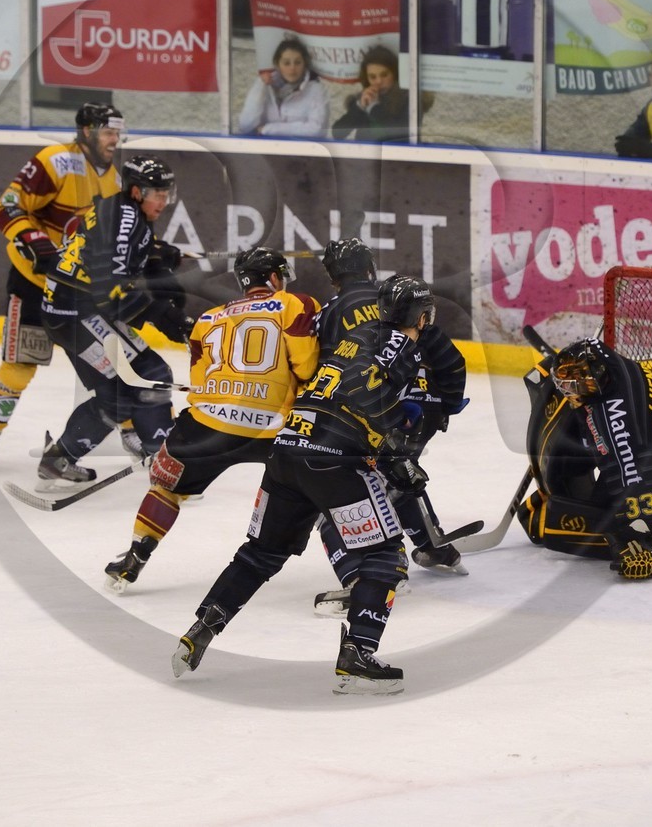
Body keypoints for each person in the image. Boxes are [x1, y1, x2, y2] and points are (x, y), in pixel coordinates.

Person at [171, 276, 439, 695]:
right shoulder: (403, 348)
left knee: (260, 553)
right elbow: (365, 401)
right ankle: (359, 652)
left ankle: (201, 627)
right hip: (330, 461)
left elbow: (342, 390)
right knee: (386, 557)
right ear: (422, 315)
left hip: (285, 452)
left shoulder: (356, 336)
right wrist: (393, 457)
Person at [101, 246, 321, 593]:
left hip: (209, 425)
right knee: (330, 485)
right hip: (273, 428)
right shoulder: (296, 304)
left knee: (166, 487)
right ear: (275, 278)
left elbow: (201, 385)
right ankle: (362, 567)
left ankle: (135, 556)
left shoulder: (208, 318)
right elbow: (307, 367)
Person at [309, 241, 470, 616]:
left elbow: (326, 371)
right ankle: (432, 546)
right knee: (401, 475)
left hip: (371, 412)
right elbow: (452, 362)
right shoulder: (406, 303)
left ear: (333, 277)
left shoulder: (333, 312)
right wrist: (444, 406)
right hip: (418, 410)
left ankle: (374, 570)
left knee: (342, 494)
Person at [0, 102, 123, 468]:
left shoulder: (114, 179)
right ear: (86, 131)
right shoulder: (55, 160)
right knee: (22, 364)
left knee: (108, 366)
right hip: (33, 284)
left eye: (118, 132)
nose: (115, 140)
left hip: (75, 291)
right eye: (108, 131)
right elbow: (5, 207)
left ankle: (136, 432)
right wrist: (35, 240)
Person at [516, 337, 652, 578]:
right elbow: (586, 356)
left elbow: (634, 484)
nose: (571, 390)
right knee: (572, 455)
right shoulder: (607, 363)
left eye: (576, 383)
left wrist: (636, 540)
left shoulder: (616, 427)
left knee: (603, 514)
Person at [34, 155, 191, 488]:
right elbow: (113, 292)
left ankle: (57, 460)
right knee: (152, 373)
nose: (163, 201)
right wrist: (165, 315)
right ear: (136, 191)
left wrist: (160, 265)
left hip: (65, 311)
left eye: (166, 193)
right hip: (79, 312)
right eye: (156, 194)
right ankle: (165, 466)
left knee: (115, 397)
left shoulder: (125, 211)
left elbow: (131, 260)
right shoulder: (126, 219)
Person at [330, 45, 432, 142]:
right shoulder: (365, 98)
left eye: (384, 75)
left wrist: (374, 108)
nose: (378, 81)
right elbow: (338, 133)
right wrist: (359, 107)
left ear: (395, 73)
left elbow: (401, 135)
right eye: (372, 77)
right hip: (367, 156)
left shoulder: (410, 99)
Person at [237, 36, 331, 138]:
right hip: (265, 151)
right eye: (286, 63)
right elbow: (245, 126)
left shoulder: (316, 90)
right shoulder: (265, 87)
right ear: (277, 64)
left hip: (302, 151)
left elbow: (317, 130)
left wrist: (268, 129)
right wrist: (260, 85)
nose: (292, 68)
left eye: (298, 63)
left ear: (304, 64)